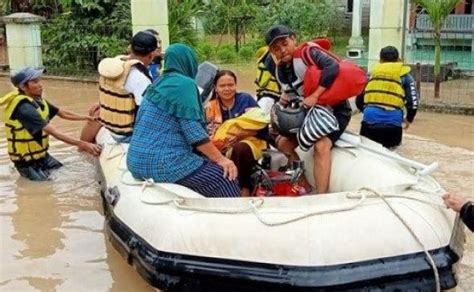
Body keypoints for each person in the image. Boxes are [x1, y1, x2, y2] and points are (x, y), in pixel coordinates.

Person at [127, 44, 240, 198]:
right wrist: (222, 160)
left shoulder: (157, 83)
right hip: (164, 163)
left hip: (135, 161)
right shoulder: (185, 84)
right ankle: (234, 220)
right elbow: (194, 134)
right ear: (188, 62)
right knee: (225, 177)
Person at [266, 25, 351, 194]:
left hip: (335, 111)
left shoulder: (308, 54)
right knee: (283, 143)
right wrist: (283, 102)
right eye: (276, 48)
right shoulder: (280, 70)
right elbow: (293, 94)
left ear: (293, 38)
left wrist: (316, 95)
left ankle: (321, 195)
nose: (282, 50)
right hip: (309, 114)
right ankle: (305, 184)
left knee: (321, 145)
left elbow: (332, 67)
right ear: (272, 53)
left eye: (285, 43)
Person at [0, 67, 101, 181]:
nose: (40, 85)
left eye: (39, 80)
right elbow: (54, 133)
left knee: (63, 171)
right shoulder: (25, 109)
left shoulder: (36, 100)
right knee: (44, 186)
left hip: (41, 156)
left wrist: (87, 118)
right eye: (35, 82)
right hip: (26, 162)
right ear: (23, 87)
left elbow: (62, 113)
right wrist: (83, 144)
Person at [80, 31, 157, 143]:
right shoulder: (140, 77)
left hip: (112, 128)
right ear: (151, 55)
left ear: (130, 49)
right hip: (127, 135)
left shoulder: (115, 66)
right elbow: (148, 112)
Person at [206, 70, 269, 196]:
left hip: (250, 143)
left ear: (236, 85)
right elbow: (207, 134)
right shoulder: (210, 108)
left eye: (231, 85)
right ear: (215, 88)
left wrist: (242, 134)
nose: (227, 89)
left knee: (240, 149)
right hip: (221, 146)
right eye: (222, 86)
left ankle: (243, 189)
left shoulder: (246, 100)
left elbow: (262, 124)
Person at [356, 46, 418, 149]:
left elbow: (359, 100)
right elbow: (413, 102)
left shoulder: (371, 75)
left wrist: (368, 111)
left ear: (380, 60)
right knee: (391, 154)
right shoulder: (406, 77)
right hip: (393, 123)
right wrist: (409, 119)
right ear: (398, 60)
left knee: (368, 153)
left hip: (370, 120)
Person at [255, 46, 281, 114]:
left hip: (268, 96)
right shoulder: (271, 63)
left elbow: (261, 83)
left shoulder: (263, 64)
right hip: (273, 96)